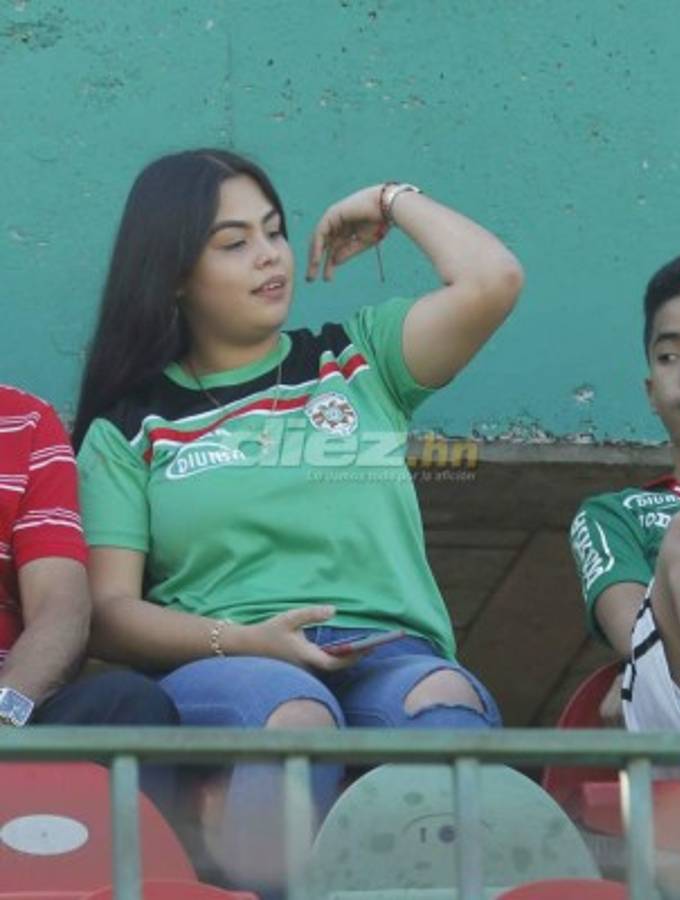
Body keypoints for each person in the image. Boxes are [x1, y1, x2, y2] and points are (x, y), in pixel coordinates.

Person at [72, 149, 523, 896]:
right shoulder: (129, 428)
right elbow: (109, 615)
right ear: (175, 274)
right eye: (234, 242)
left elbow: (493, 280)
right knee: (294, 714)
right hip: (231, 662)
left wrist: (389, 198)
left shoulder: (357, 359)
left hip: (384, 649)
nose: (268, 255)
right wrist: (246, 639)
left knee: (444, 704)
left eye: (274, 231)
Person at [0, 382, 179, 729]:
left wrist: (7, 709)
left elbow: (59, 607)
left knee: (127, 701)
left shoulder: (26, 421)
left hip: (7, 717)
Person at [570, 253, 680, 736]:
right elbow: (637, 639)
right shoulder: (615, 515)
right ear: (650, 392)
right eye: (669, 357)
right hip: (678, 702)